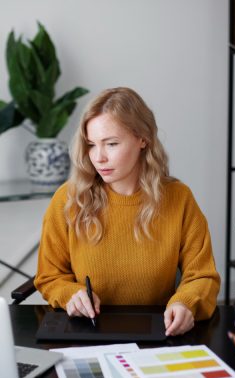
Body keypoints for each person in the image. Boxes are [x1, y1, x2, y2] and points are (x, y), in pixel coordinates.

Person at [34, 87, 220, 336]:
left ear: (142, 139)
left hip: (158, 334)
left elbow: (203, 276)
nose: (98, 157)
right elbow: (49, 276)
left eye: (111, 144)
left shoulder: (179, 199)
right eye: (91, 145)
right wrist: (70, 294)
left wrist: (185, 303)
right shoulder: (68, 200)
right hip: (86, 334)